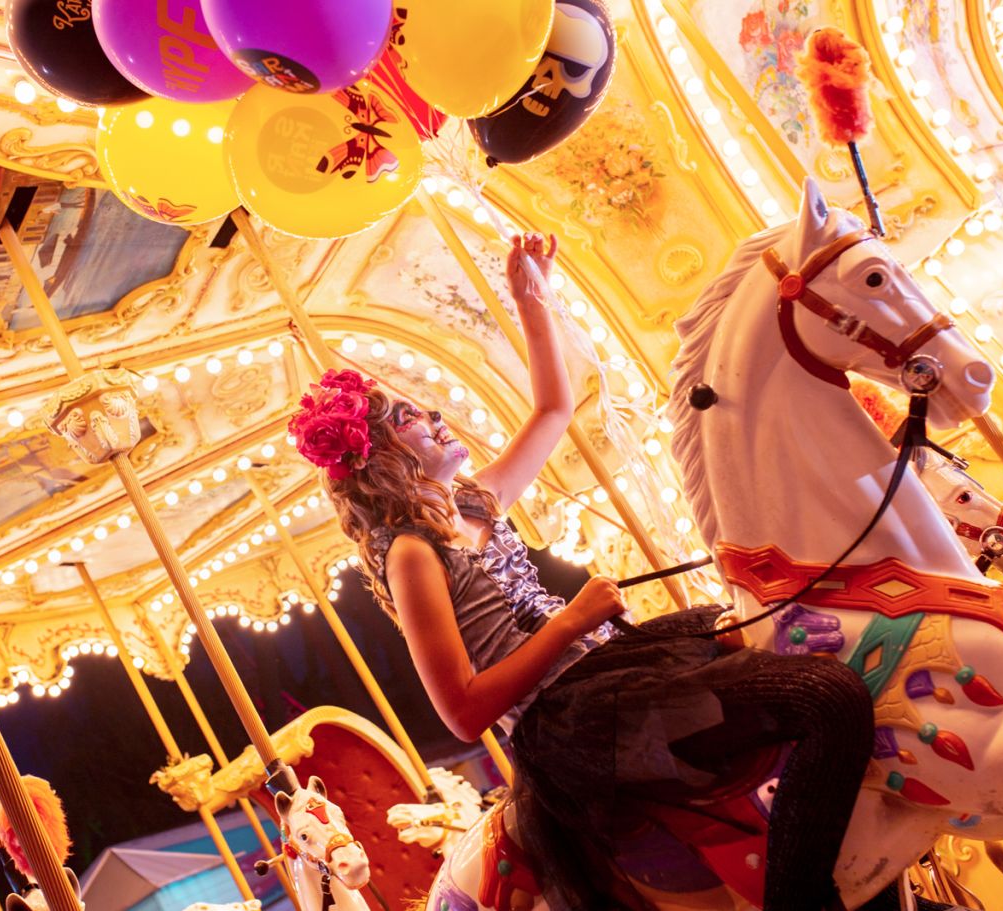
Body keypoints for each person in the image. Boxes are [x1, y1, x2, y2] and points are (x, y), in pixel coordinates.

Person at [289, 233, 874, 911]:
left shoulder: (474, 501)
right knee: (824, 697)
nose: (436, 416)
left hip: (609, 672)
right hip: (569, 721)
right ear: (381, 457)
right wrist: (571, 619)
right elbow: (463, 709)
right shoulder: (412, 553)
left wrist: (531, 297)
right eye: (410, 417)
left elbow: (553, 410)